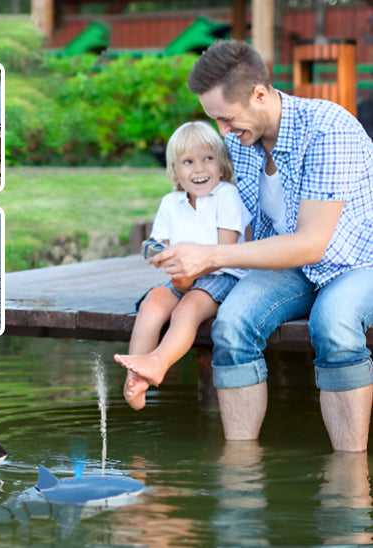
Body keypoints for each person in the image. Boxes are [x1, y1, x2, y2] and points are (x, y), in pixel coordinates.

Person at [151, 40, 373, 452]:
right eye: (215, 120)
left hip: (358, 261)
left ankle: (350, 474)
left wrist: (212, 256)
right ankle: (242, 473)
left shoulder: (329, 130)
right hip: (288, 266)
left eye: (227, 118)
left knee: (334, 324)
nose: (223, 132)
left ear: (259, 94)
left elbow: (311, 244)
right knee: (232, 325)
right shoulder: (240, 138)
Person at [115, 121, 251, 410]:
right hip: (182, 276)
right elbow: (152, 243)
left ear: (222, 166)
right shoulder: (171, 202)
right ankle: (135, 378)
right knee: (153, 302)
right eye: (188, 162)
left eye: (208, 159)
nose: (199, 169)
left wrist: (188, 272)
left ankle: (159, 362)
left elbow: (225, 251)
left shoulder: (227, 195)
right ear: (175, 172)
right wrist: (155, 252)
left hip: (222, 275)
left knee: (188, 308)